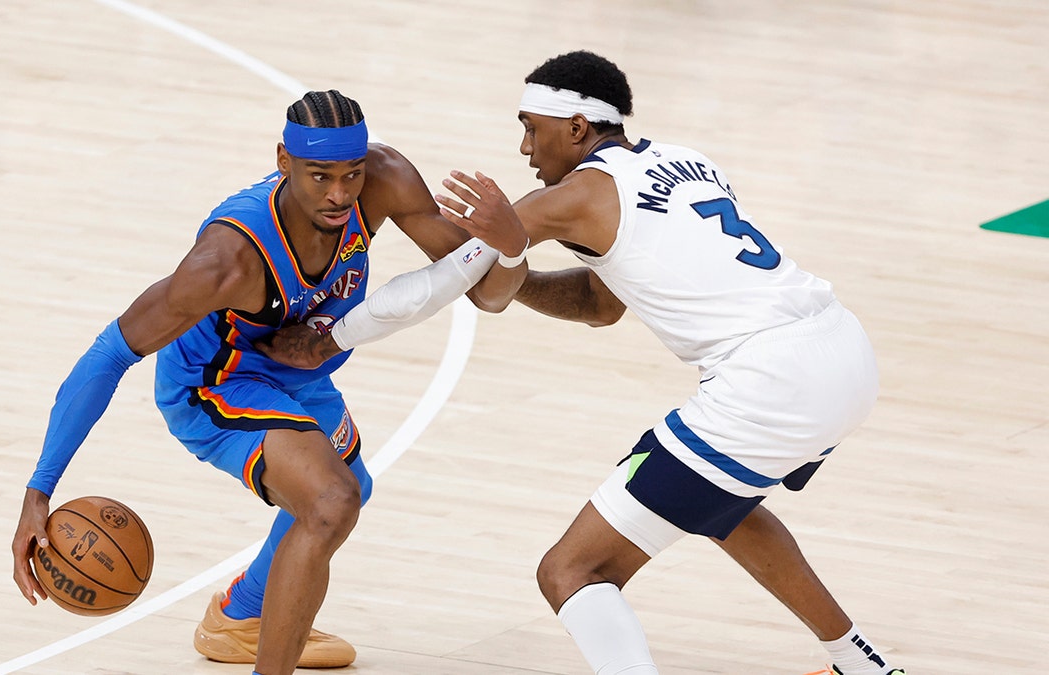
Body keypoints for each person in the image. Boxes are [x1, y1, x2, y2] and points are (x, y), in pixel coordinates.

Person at [265, 53, 906, 675]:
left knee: (572, 571)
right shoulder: (688, 160)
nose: (524, 150)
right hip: (841, 353)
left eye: (531, 128)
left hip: (768, 382)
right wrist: (519, 267)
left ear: (575, 128)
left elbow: (474, 290)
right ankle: (862, 664)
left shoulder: (573, 198)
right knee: (723, 508)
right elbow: (601, 305)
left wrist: (335, 334)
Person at [9, 89, 508, 675]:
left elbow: (485, 286)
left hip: (298, 364)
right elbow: (108, 355)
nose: (340, 195)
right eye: (320, 176)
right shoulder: (227, 262)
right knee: (330, 499)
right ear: (283, 161)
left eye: (351, 176)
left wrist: (514, 242)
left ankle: (240, 616)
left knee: (351, 486)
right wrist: (38, 492)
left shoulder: (385, 178)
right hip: (214, 387)